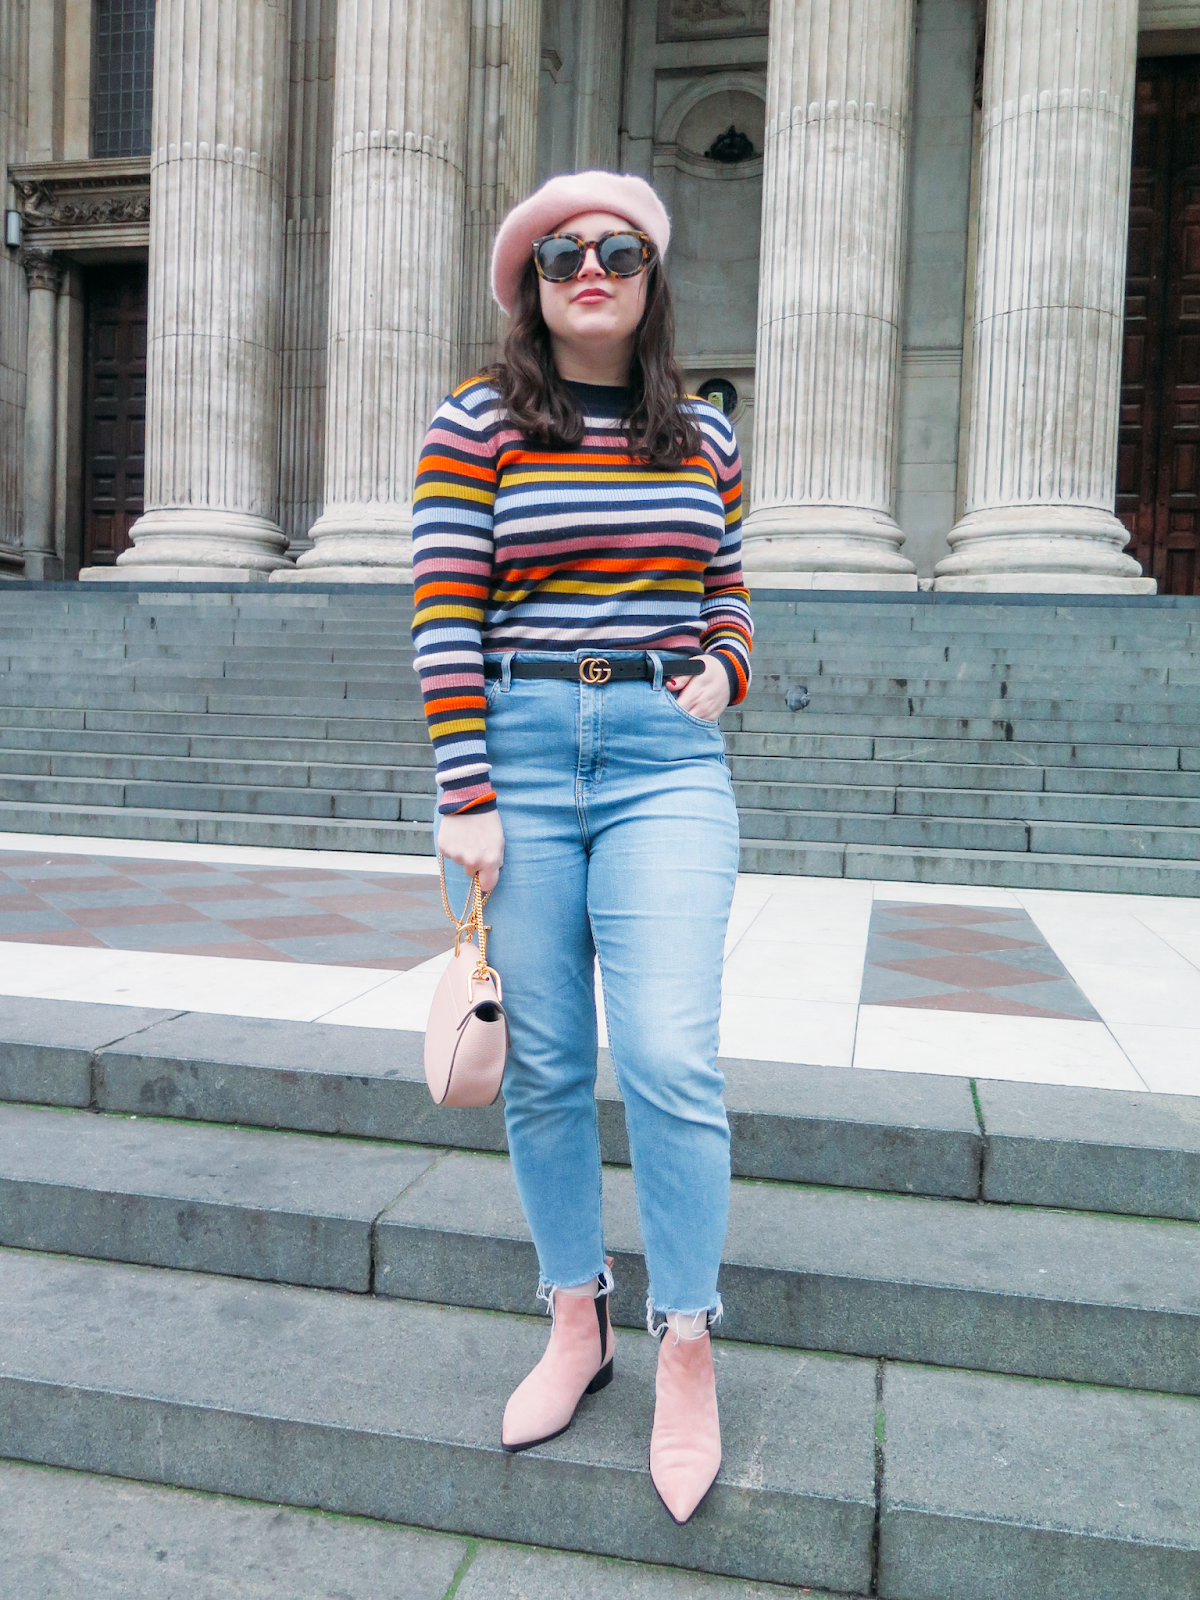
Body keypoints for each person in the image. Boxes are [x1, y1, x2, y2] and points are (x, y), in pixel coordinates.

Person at [411, 170, 753, 1526]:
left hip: (667, 761)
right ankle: (576, 1318)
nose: (592, 269)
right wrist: (467, 791)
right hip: (519, 756)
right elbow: (445, 608)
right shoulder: (477, 424)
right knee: (545, 1065)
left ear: (653, 276)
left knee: (669, 1054)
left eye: (618, 250)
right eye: (562, 257)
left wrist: (728, 665)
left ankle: (687, 1342)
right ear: (531, 286)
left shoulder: (706, 435)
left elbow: (726, 587)